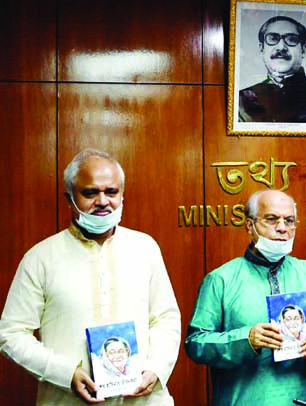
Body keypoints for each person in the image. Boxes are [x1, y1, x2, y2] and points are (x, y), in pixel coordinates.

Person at [0, 148, 181, 404]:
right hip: (67, 399)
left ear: (122, 195)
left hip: (144, 399)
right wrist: (66, 373)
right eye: (90, 192)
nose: (103, 201)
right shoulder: (40, 258)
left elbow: (165, 318)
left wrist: (156, 369)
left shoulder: (145, 248)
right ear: (69, 197)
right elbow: (12, 334)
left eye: (111, 192)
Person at [185, 190, 306, 406]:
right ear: (250, 226)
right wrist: (245, 339)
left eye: (289, 221)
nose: (282, 228)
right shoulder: (221, 279)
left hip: (304, 399)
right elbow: (196, 343)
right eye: (271, 219)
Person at [239, 15, 306, 123]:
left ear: (303, 50)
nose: (281, 47)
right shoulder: (241, 98)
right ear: (261, 48)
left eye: (291, 39)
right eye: (273, 38)